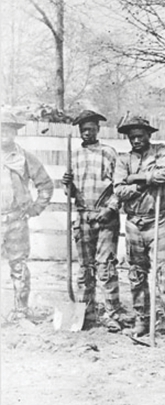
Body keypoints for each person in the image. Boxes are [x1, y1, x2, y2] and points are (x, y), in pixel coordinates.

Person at [113, 116, 165, 342]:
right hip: (134, 221)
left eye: (140, 136)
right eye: (132, 137)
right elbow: (118, 189)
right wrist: (141, 184)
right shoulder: (123, 159)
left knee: (164, 274)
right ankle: (142, 318)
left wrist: (138, 177)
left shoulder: (161, 152)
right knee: (136, 273)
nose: (136, 141)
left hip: (157, 220)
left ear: (148, 135)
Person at [62, 110, 126, 331]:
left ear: (98, 129)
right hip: (82, 216)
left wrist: (110, 208)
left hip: (105, 217)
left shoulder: (108, 153)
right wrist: (67, 185)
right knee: (85, 268)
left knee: (105, 266)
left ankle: (112, 313)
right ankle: (85, 312)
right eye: (83, 130)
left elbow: (120, 186)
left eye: (90, 129)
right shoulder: (74, 155)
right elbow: (71, 194)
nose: (87, 133)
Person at [1, 111, 54, 321]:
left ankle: (21, 311)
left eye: (8, 129)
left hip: (15, 221)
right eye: (0, 128)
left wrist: (34, 209)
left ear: (15, 133)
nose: (3, 133)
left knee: (18, 266)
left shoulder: (24, 158)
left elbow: (46, 184)